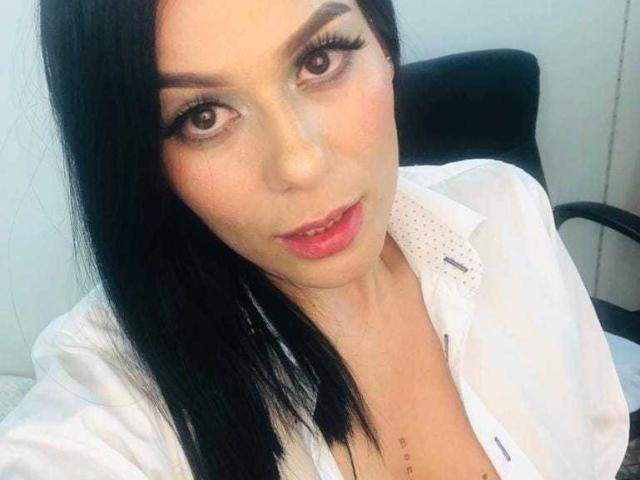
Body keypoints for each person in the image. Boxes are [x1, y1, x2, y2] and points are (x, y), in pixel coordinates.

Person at [0, 0, 630, 479]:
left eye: (319, 60)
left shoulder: (507, 210)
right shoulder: (111, 405)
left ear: (384, 45)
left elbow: (596, 445)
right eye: (203, 116)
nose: (300, 164)